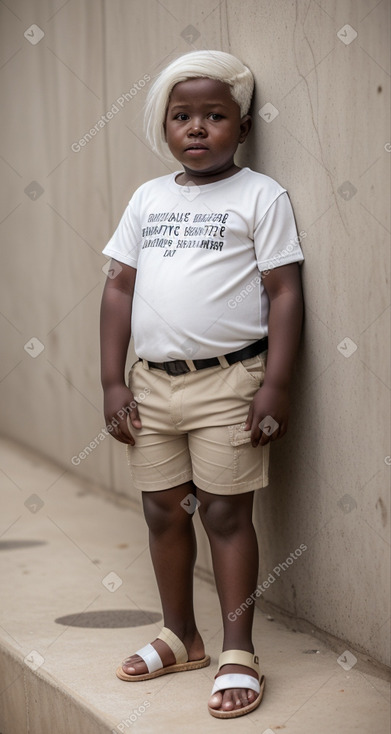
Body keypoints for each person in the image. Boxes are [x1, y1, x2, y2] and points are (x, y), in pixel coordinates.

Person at [100, 49, 304, 720]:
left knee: (222, 513)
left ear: (240, 128)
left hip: (228, 383)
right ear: (164, 127)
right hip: (151, 386)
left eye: (213, 116)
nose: (195, 128)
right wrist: (111, 381)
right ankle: (178, 635)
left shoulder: (259, 195)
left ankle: (237, 650)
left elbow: (283, 293)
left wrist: (274, 384)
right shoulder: (147, 198)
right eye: (181, 116)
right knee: (162, 510)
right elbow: (119, 286)